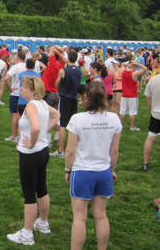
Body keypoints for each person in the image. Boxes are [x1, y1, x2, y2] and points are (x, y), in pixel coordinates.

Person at [64, 82, 121, 250]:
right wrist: (111, 170)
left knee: (79, 218)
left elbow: (70, 151)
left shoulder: (77, 119)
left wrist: (68, 169)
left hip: (82, 172)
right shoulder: (114, 118)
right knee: (101, 216)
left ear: (86, 97)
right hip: (103, 172)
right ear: (104, 97)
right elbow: (115, 150)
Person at [7, 77, 60, 246]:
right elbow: (56, 115)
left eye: (24, 88)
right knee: (41, 188)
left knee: (29, 194)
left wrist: (31, 141)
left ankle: (27, 234)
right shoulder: (43, 104)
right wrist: (45, 131)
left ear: (33, 91)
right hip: (42, 152)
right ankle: (43, 223)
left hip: (31, 154)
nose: (21, 90)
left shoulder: (31, 106)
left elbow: (35, 127)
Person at [51, 51, 82, 158]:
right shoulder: (79, 71)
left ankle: (60, 150)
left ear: (68, 58)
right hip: (74, 98)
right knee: (74, 125)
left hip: (64, 98)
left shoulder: (63, 71)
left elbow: (56, 84)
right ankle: (75, 148)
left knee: (63, 125)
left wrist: (59, 77)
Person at [4, 50, 27, 142]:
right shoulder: (27, 67)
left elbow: (6, 78)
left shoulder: (16, 67)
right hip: (25, 94)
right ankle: (21, 135)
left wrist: (10, 88)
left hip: (15, 93)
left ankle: (14, 136)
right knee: (24, 115)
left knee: (14, 114)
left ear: (17, 58)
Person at [120, 60, 147, 131]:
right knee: (132, 111)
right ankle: (132, 127)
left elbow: (123, 65)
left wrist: (126, 65)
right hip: (132, 95)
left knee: (122, 111)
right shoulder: (134, 73)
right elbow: (145, 69)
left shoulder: (123, 72)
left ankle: (121, 125)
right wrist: (138, 64)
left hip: (124, 94)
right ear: (134, 66)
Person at [142, 72, 160, 171]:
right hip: (156, 113)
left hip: (156, 113)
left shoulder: (153, 79)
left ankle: (145, 163)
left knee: (151, 137)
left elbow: (148, 98)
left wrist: (151, 109)